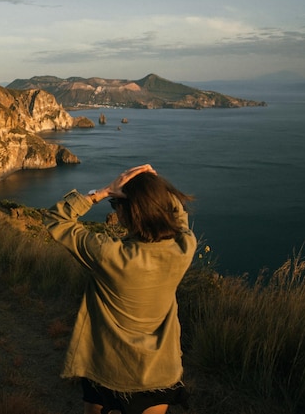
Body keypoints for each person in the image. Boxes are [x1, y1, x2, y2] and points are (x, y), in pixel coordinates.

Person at [43, 164, 197, 414]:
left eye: (115, 204)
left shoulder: (108, 255)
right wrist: (153, 188)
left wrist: (102, 192)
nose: (114, 209)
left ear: (128, 213)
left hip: (106, 370)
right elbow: (179, 217)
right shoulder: (183, 248)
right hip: (158, 374)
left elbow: (55, 219)